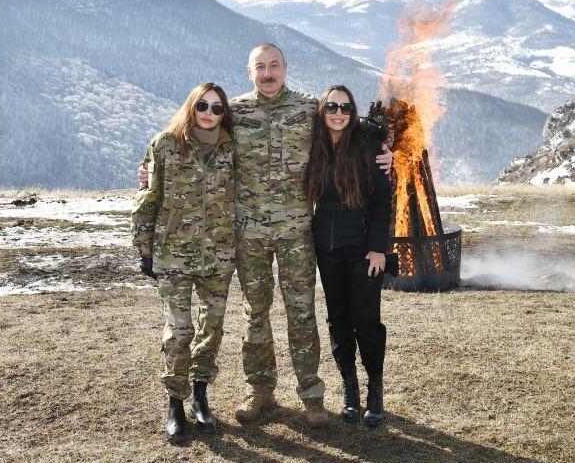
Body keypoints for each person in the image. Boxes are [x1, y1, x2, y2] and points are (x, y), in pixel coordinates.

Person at [139, 43, 392, 428]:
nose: (268, 73)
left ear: (285, 68)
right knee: (255, 313)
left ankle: (311, 396)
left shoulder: (308, 109)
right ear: (250, 72)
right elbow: (190, 134)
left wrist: (384, 146)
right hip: (248, 233)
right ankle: (259, 390)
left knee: (301, 312)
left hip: (297, 232)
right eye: (260, 67)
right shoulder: (234, 112)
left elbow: (346, 122)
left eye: (274, 65)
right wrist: (148, 170)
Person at [131, 82, 236, 444]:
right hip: (173, 254)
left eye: (217, 108)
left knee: (211, 329)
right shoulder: (164, 144)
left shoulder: (233, 148)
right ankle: (175, 403)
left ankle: (200, 396)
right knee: (179, 332)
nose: (209, 113)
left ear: (224, 113)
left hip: (219, 255)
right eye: (202, 105)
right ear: (191, 106)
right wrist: (144, 250)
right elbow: (147, 197)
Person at [305, 85, 392, 428]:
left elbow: (383, 201)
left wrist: (378, 248)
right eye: (331, 106)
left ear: (353, 111)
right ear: (322, 110)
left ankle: (375, 391)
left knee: (367, 322)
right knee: (338, 321)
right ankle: (350, 389)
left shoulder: (368, 145)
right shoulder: (314, 144)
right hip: (327, 249)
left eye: (345, 107)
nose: (338, 113)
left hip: (363, 249)